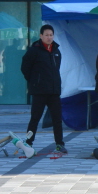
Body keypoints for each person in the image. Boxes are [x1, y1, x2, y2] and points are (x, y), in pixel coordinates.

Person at [21, 25, 66, 153]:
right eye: (46, 35)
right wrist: (35, 81)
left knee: (57, 119)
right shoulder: (34, 50)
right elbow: (25, 68)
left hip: (53, 91)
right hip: (39, 91)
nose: (49, 37)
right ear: (41, 36)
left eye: (51, 35)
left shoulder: (56, 51)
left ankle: (59, 143)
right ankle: (28, 143)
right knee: (35, 118)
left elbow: (56, 69)